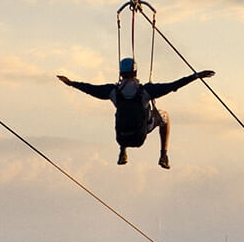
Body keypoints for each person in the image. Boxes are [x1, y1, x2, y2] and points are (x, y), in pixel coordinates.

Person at [58, 57, 214, 168]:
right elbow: (173, 85)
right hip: (140, 136)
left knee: (120, 114)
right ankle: (163, 155)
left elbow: (90, 89)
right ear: (136, 73)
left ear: (120, 73)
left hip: (121, 138)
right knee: (165, 115)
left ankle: (123, 151)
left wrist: (71, 83)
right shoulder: (145, 91)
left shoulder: (113, 91)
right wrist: (196, 76)